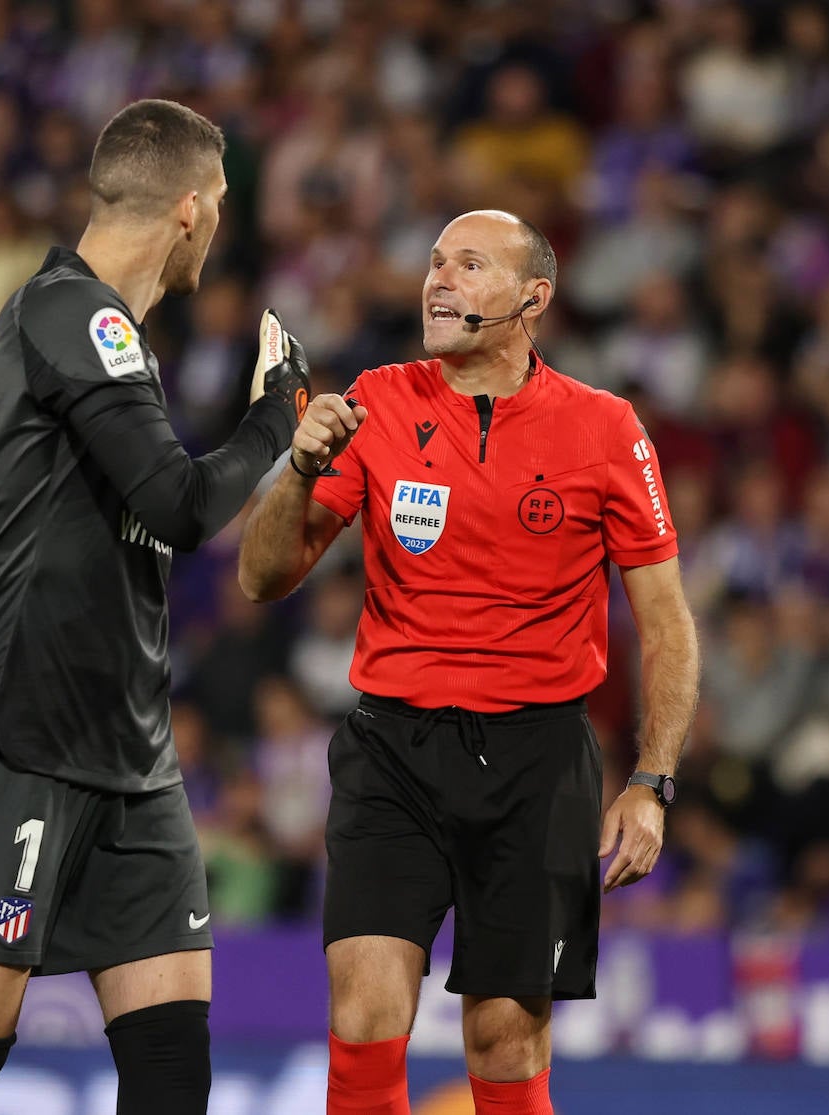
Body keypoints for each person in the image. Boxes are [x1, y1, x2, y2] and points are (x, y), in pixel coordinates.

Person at [0, 99, 310, 1115]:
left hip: (128, 753)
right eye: (225, 202)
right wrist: (277, 411)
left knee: (169, 1067)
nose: (225, 224)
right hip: (22, 733)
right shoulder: (70, 310)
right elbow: (181, 505)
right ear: (189, 210)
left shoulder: (121, 344)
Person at [238, 210, 700, 1115]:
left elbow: (668, 623)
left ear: (534, 298)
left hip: (536, 761)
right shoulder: (379, 399)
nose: (438, 280)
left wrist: (653, 779)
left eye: (470, 265)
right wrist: (295, 468)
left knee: (502, 1033)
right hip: (392, 750)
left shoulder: (605, 429)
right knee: (366, 1009)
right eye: (435, 260)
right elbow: (262, 578)